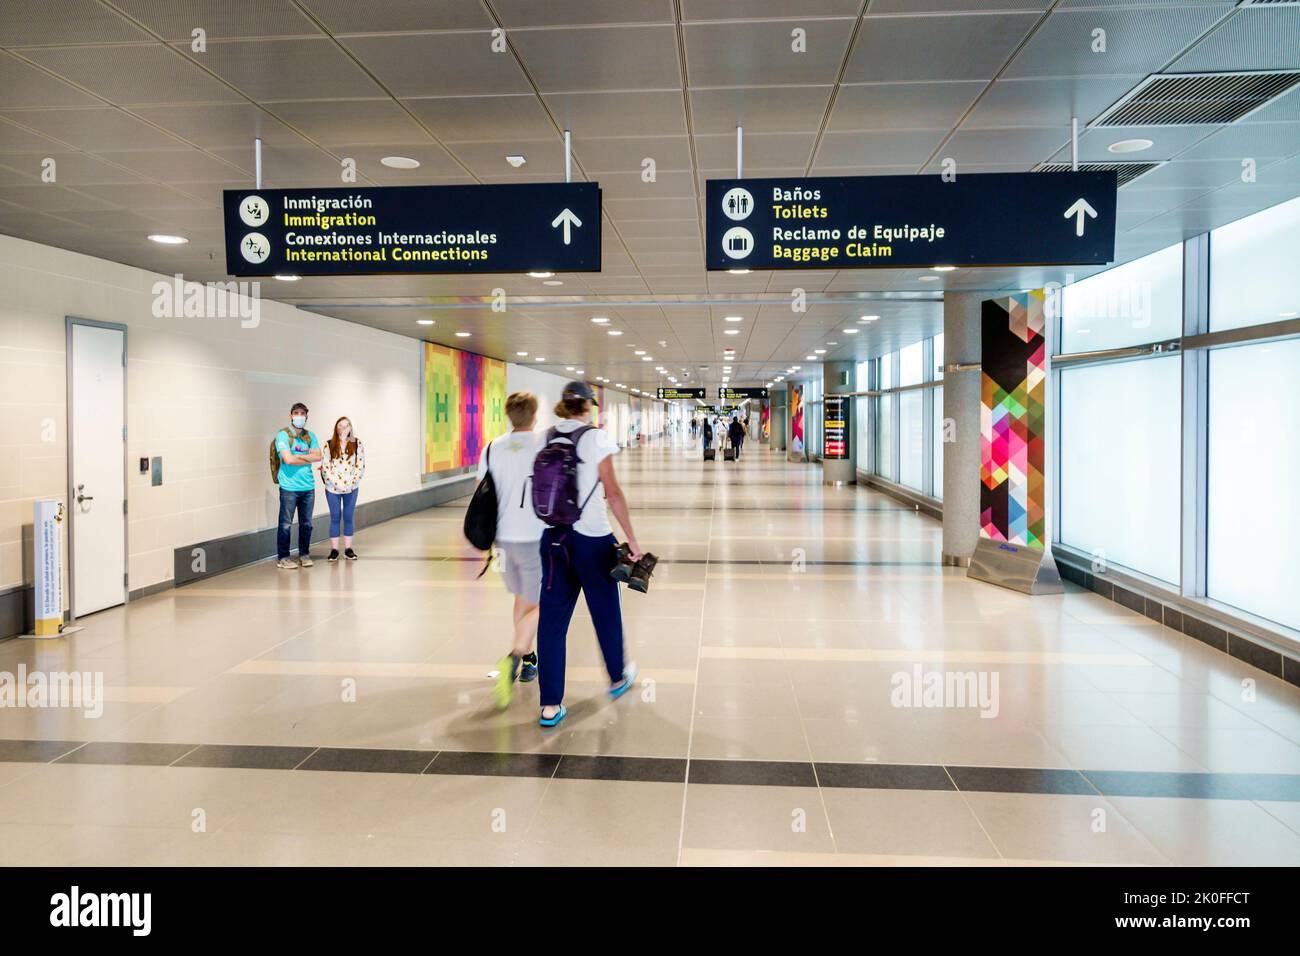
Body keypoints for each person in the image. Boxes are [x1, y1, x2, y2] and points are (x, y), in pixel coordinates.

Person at [536, 381, 643, 728]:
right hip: (592, 539)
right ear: (587, 407)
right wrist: (632, 541)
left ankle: (550, 705)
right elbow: (612, 492)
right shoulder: (596, 438)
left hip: (553, 539)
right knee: (605, 612)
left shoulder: (546, 436)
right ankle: (616, 678)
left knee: (551, 623)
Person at [477, 392, 545, 709]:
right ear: (534, 415)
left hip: (502, 540)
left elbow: (481, 490)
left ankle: (529, 659)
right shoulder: (544, 445)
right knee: (542, 602)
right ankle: (515, 656)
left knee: (522, 598)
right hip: (534, 536)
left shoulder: (491, 448)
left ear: (508, 415)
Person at [274, 402, 321, 569]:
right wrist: (307, 456)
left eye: (302, 413)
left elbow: (319, 456)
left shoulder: (311, 436)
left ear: (307, 416)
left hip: (308, 487)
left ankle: (304, 554)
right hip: (289, 487)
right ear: (291, 415)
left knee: (307, 524)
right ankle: (283, 557)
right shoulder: (283, 435)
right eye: (296, 413)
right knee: (285, 524)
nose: (299, 416)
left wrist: (297, 457)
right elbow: (288, 459)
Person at [321, 415, 365, 562]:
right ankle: (334, 550)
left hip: (351, 488)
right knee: (335, 517)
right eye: (341, 425)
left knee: (348, 516)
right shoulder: (329, 445)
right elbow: (326, 468)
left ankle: (348, 549)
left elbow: (360, 466)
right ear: (336, 428)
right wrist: (337, 484)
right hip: (332, 488)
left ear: (351, 428)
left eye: (347, 425)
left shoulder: (357, 444)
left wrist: (350, 484)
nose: (344, 428)